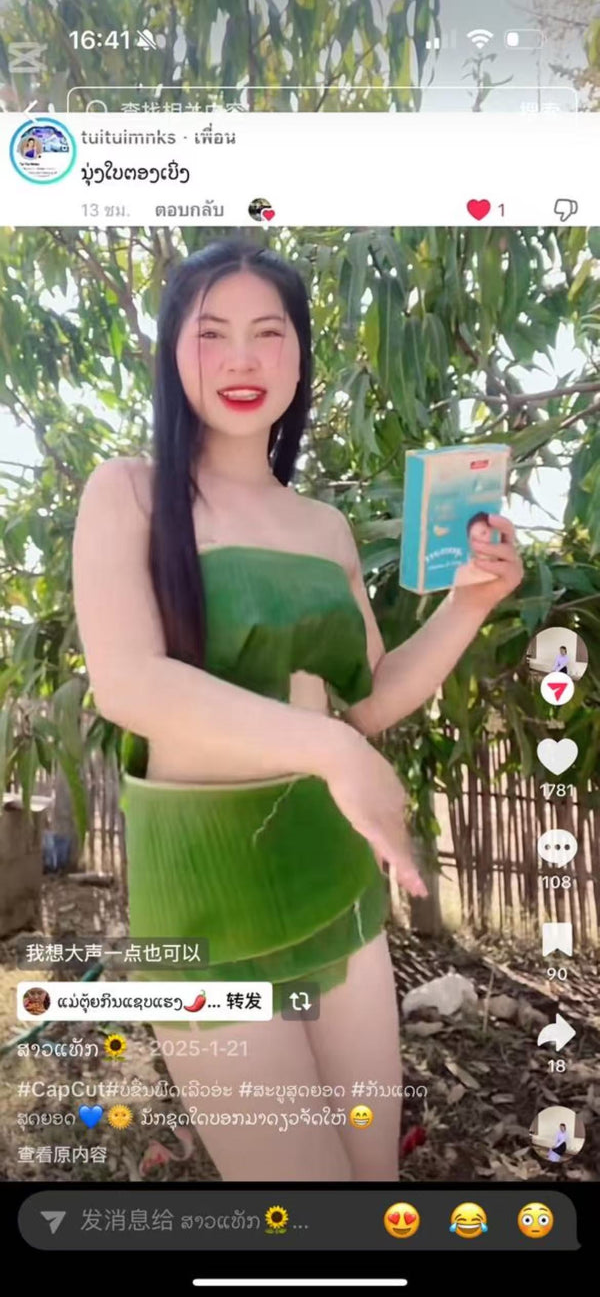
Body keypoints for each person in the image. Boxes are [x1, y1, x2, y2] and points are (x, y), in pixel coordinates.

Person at [72, 238, 523, 1182]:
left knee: (371, 1185)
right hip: (206, 900)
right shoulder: (129, 493)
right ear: (173, 351)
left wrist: (468, 605)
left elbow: (368, 699)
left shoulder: (323, 526)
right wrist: (330, 749)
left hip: (334, 880)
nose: (243, 359)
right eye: (213, 333)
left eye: (269, 333)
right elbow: (130, 683)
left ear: (299, 355)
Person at [452, 512, 498, 587]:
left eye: (483, 533)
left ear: (492, 531)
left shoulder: (504, 566)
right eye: (474, 538)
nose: (480, 541)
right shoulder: (462, 573)